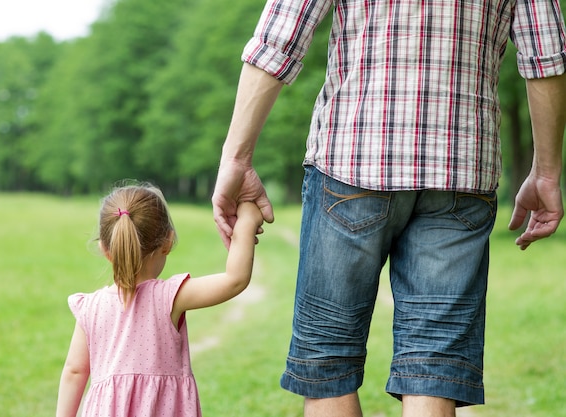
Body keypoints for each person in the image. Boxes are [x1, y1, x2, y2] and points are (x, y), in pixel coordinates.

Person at [212, 1, 566, 416]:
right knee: (433, 366)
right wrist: (546, 172)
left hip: (352, 159)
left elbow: (279, 38)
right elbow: (546, 56)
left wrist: (236, 159)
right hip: (460, 169)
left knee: (329, 361)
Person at [56, 183, 263, 417]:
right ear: (167, 242)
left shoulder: (90, 307)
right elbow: (235, 279)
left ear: (105, 248)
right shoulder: (169, 297)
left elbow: (75, 371)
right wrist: (247, 219)